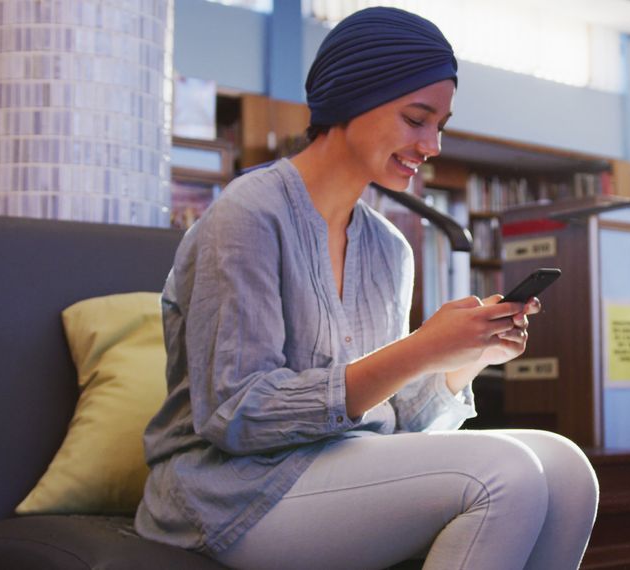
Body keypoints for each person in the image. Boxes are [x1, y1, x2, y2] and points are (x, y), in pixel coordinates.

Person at [135, 7, 599, 570]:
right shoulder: (249, 215)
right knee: (507, 474)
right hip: (231, 491)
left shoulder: (388, 249)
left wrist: (463, 361)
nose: (432, 145)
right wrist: (421, 348)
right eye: (415, 118)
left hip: (344, 465)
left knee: (568, 470)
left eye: (440, 125)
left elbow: (400, 424)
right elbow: (238, 414)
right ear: (350, 98)